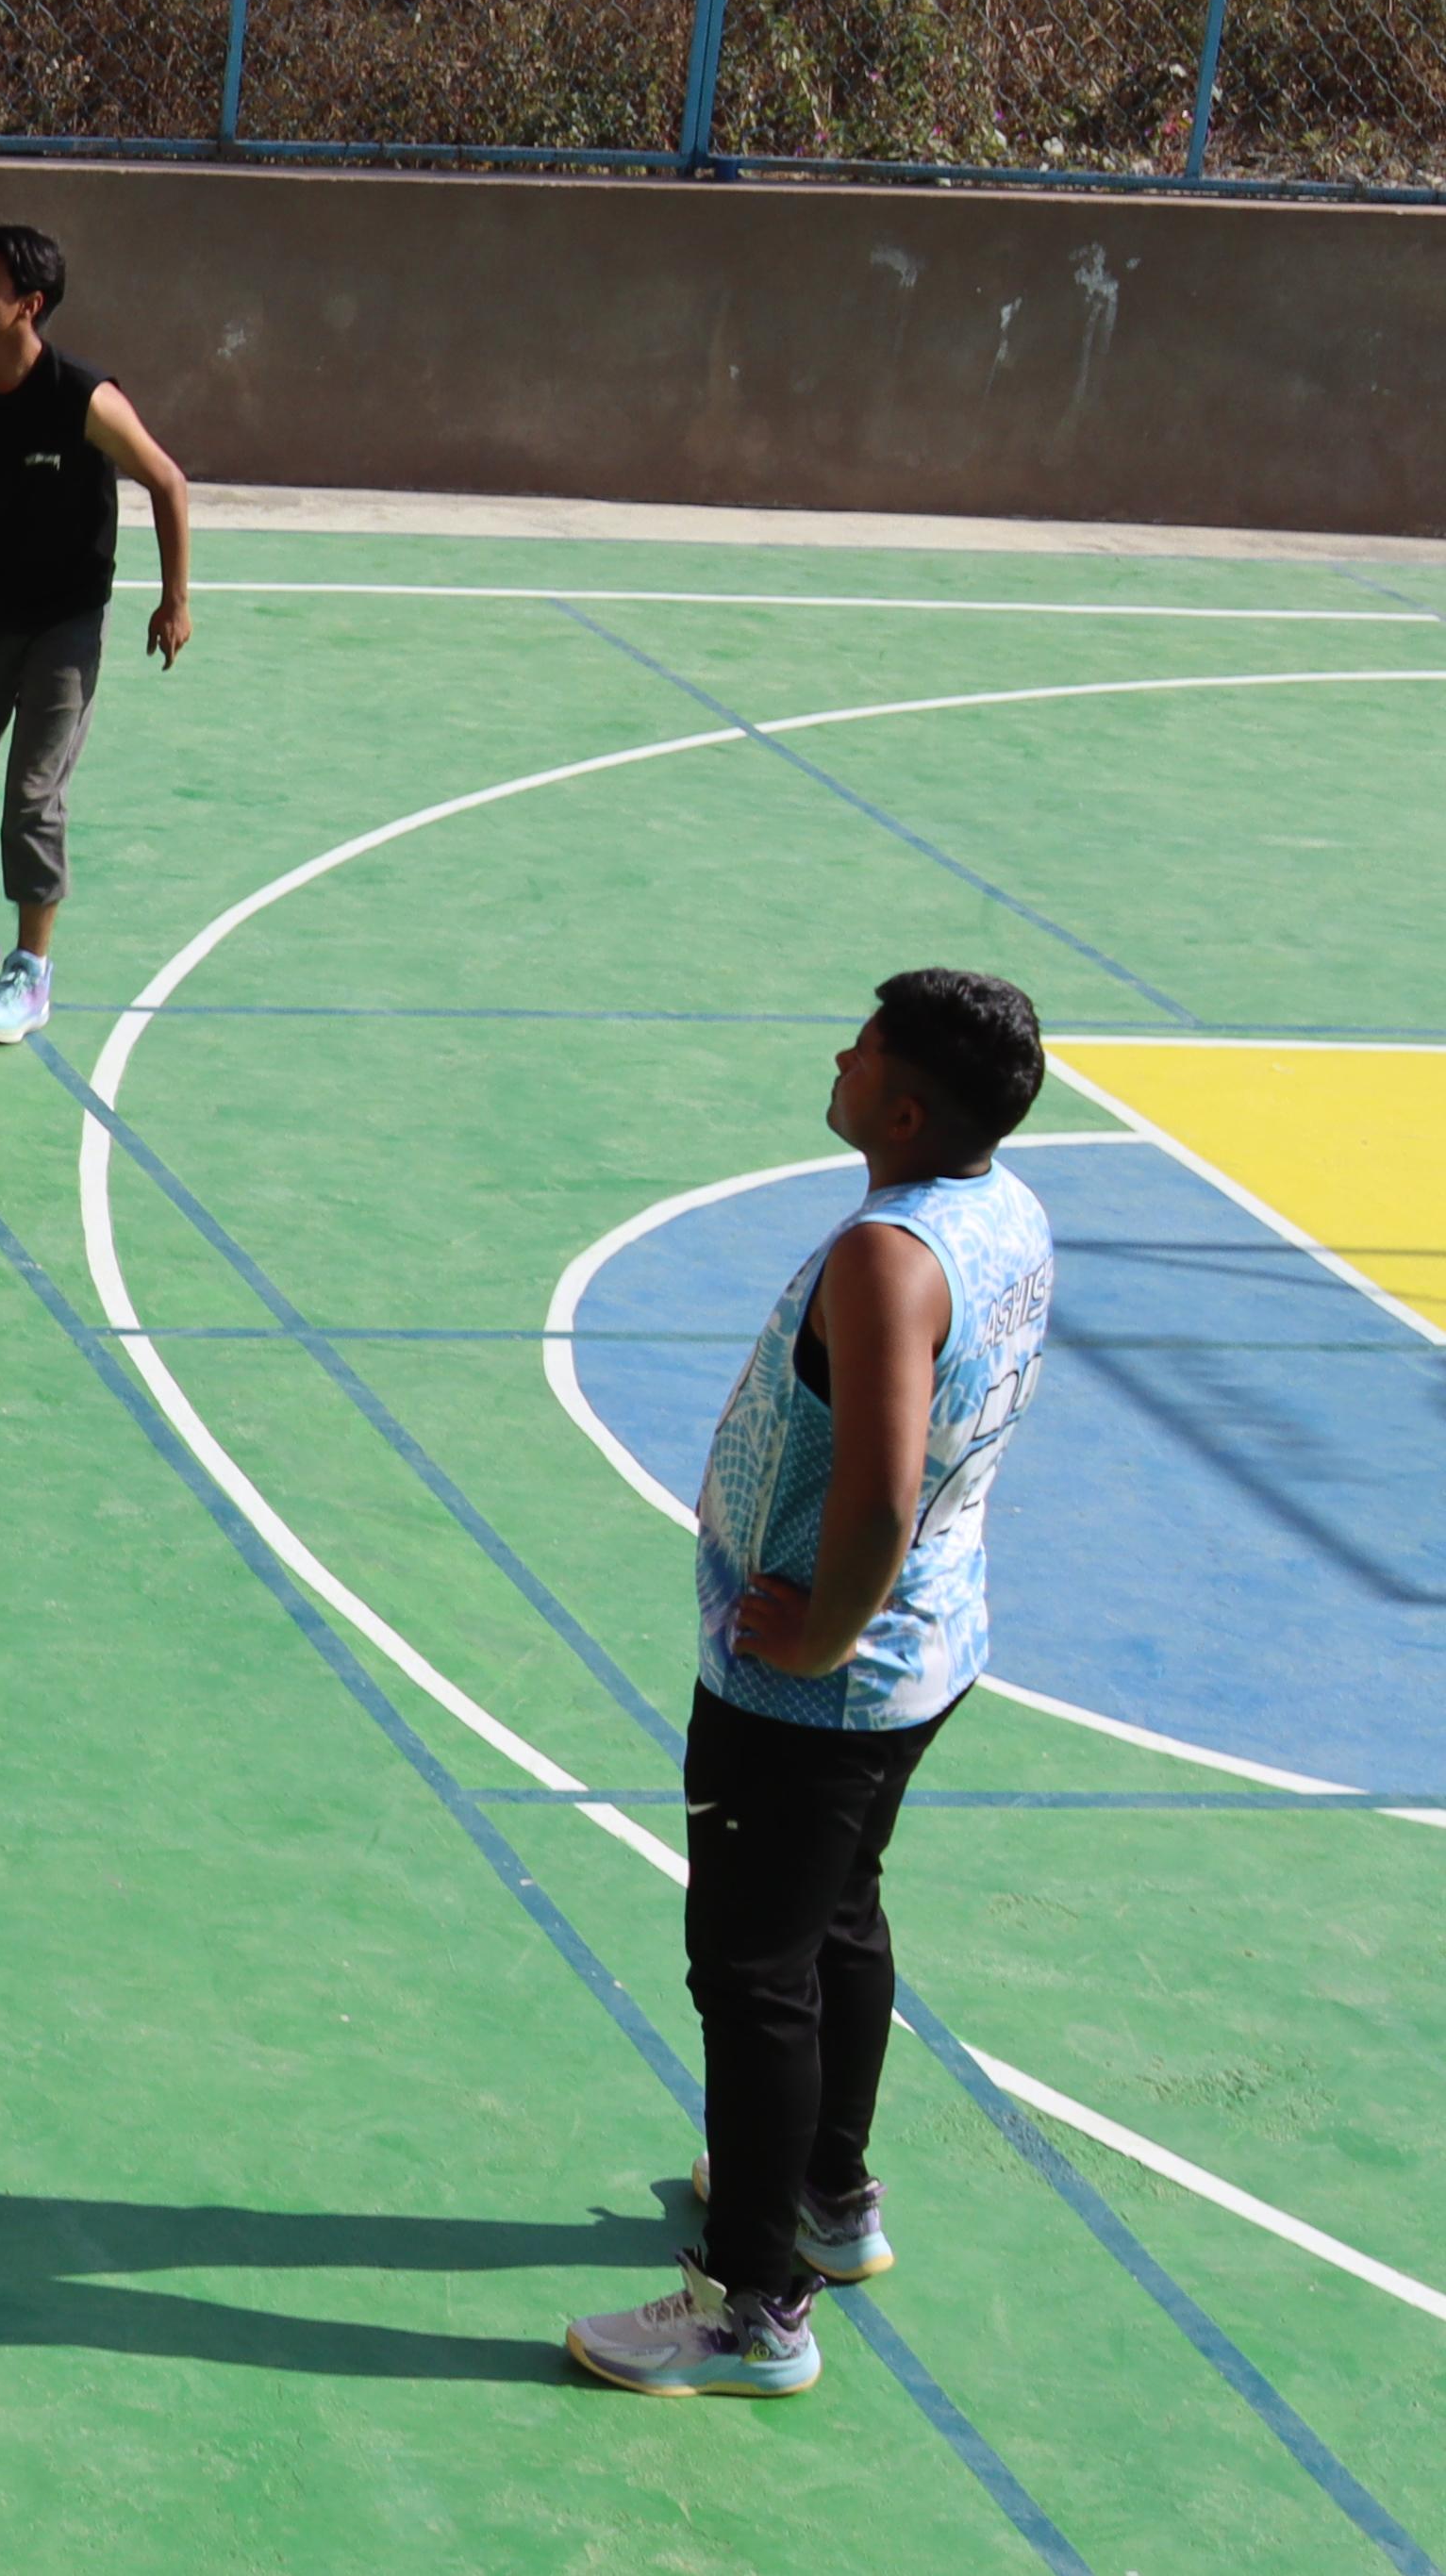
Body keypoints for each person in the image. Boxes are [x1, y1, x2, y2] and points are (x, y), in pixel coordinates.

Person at [569, 972, 1055, 2402]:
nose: (840, 1056)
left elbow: (881, 1489)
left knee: (752, 1974)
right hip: (932, 1647)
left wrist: (819, 1639)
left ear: (903, 1109)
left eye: (865, 1050)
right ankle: (830, 2195)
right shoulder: (1002, 1209)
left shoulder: (887, 1259)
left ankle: (752, 2307)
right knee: (840, 1915)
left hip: (819, 1690)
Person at [0, 224, 191, 1049]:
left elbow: (167, 481)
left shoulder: (81, 396)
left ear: (30, 304)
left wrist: (174, 600)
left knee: (33, 798)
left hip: (64, 625)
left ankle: (30, 972)